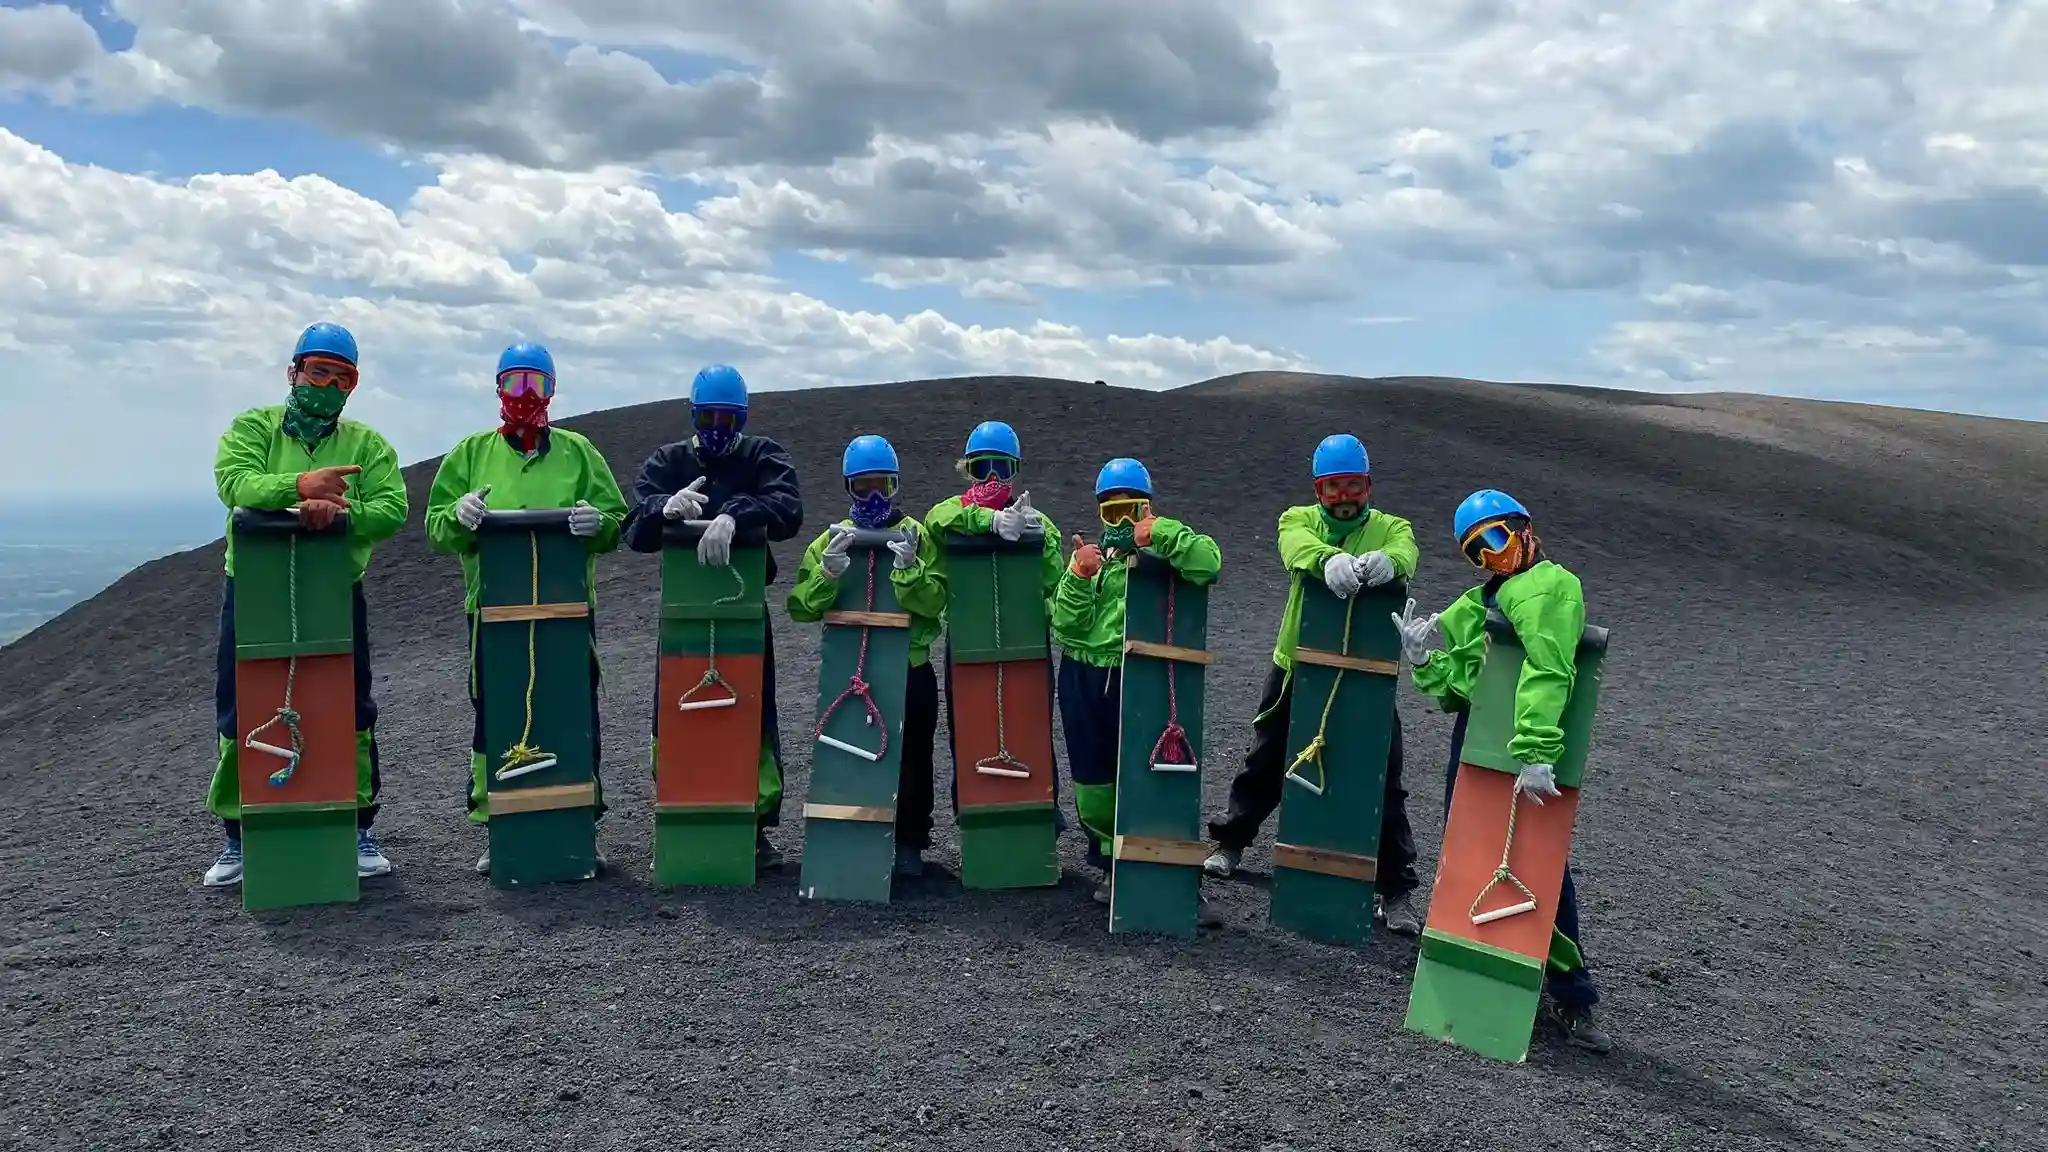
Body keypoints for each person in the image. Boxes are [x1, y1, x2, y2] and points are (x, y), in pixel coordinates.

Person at [1390, 488, 1613, 1053]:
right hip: (1480, 745)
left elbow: (1549, 667)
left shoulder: (1548, 588)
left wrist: (1537, 750)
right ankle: (1474, 979)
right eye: (1476, 550)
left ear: (1525, 530)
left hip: (1529, 752)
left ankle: (1571, 993)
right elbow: (1462, 688)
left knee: (1538, 867)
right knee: (1472, 854)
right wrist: (1424, 661)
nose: (1492, 555)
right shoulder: (1478, 604)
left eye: (1496, 538)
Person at [201, 322, 410, 887]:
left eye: (343, 377)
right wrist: (301, 487)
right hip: (254, 591)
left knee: (348, 706)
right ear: (293, 371)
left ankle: (357, 827)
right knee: (241, 707)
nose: (329, 384)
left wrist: (341, 514)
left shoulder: (367, 445)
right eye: (319, 370)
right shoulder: (253, 428)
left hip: (335, 591)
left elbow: (391, 507)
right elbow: (235, 483)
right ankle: (240, 837)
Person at [1201, 434, 1426, 936]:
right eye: (1332, 488)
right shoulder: (1297, 518)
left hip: (1367, 675)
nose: (1344, 497)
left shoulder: (1392, 527)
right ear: (1318, 491)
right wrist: (1326, 560)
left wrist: (1391, 563)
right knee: (1266, 759)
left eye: (1352, 486)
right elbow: (1293, 545)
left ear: (1367, 485)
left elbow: (1406, 550)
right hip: (1297, 665)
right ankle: (1230, 843)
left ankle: (1396, 890)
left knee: (1383, 778)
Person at [423, 341, 629, 877]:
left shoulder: (579, 452)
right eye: (514, 383)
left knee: (572, 713)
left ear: (552, 389)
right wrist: (459, 516)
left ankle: (578, 822)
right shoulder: (469, 455)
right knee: (498, 714)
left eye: (535, 383)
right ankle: (502, 824)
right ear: (497, 389)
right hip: (493, 612)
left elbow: (614, 518)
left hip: (565, 610)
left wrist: (598, 524)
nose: (524, 395)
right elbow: (436, 526)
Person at [620, 364, 803, 870]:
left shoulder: (763, 455)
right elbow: (633, 529)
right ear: (693, 414)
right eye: (709, 416)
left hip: (744, 612)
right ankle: (680, 809)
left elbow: (788, 509)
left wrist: (734, 513)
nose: (719, 426)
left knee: (750, 711)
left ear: (742, 417)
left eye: (729, 417)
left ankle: (756, 825)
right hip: (683, 615)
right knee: (675, 713)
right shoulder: (669, 461)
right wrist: (665, 507)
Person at [1052, 458, 1223, 925]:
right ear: (1099, 513)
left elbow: (1210, 564)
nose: (1123, 522)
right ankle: (1111, 863)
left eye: (1134, 509)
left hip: (1145, 676)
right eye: (1113, 513)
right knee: (1093, 781)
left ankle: (1175, 875)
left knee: (1157, 777)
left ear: (1150, 507)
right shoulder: (1092, 559)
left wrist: (1159, 534)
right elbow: (1066, 625)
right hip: (1085, 676)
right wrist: (1078, 578)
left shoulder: (1170, 550)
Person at [784, 435, 945, 877]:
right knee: (850, 752)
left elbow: (935, 605)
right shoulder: (830, 541)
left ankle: (910, 842)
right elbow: (799, 607)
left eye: (883, 485)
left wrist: (910, 570)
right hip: (850, 671)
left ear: (896, 485)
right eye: (863, 486)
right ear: (847, 487)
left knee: (913, 758)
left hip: (909, 667)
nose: (874, 496)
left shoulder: (917, 537)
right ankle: (849, 839)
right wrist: (825, 574)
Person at [919, 419, 1069, 836]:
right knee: (967, 724)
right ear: (967, 469)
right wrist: (987, 523)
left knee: (1032, 720)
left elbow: (1054, 581)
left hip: (1026, 640)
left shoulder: (1038, 522)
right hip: (967, 639)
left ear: (1014, 469)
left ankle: (1043, 805)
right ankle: (969, 807)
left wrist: (1035, 539)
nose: (991, 478)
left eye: (1000, 468)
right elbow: (937, 518)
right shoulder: (951, 515)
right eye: (981, 467)